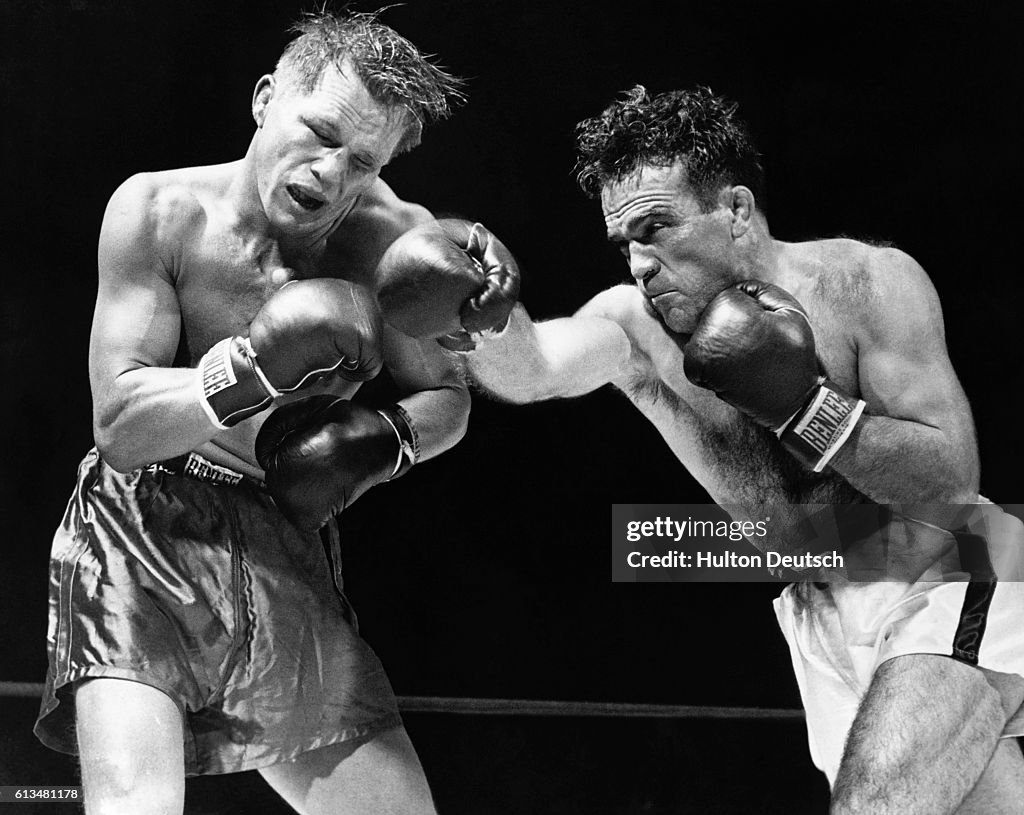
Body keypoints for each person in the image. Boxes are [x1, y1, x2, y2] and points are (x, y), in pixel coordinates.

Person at [456, 85, 1024, 813]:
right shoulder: (637, 328)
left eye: (656, 227)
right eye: (624, 243)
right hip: (821, 603)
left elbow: (950, 476)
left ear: (735, 210)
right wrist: (482, 317)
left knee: (876, 805)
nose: (639, 263)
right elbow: (532, 369)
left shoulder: (865, 283)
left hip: (946, 566)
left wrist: (804, 407)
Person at [33, 11, 517, 815]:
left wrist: (391, 440)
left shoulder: (389, 245)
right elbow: (119, 424)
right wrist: (254, 368)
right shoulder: (158, 211)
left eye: (362, 160)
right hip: (139, 528)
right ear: (265, 100)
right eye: (319, 132)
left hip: (281, 537)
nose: (330, 171)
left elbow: (450, 401)